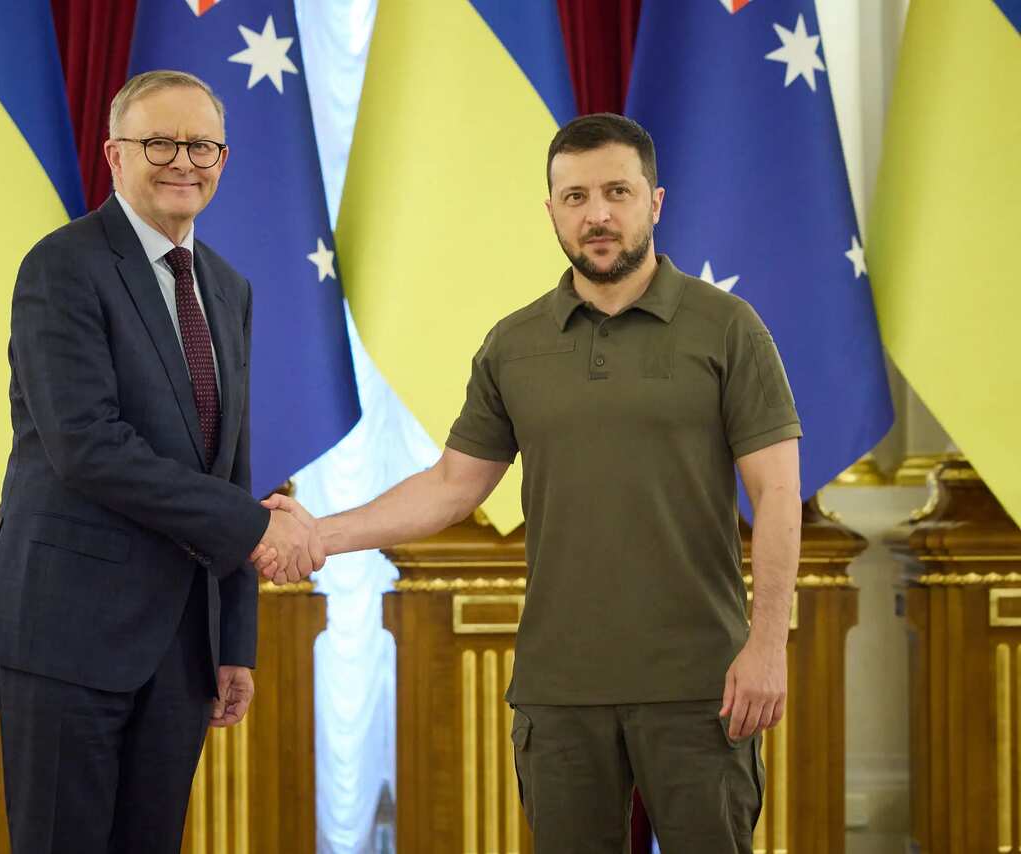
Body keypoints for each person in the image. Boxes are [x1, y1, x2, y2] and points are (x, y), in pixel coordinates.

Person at [259, 113, 802, 854]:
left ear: (655, 202)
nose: (597, 214)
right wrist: (320, 533)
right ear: (551, 211)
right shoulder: (514, 345)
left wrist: (767, 646)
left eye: (616, 192)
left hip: (703, 686)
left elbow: (776, 494)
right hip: (559, 692)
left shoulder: (729, 328)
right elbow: (452, 486)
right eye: (575, 197)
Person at [0, 70, 321, 854]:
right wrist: (256, 526)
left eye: (202, 146)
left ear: (223, 160)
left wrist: (233, 640)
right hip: (66, 633)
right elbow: (87, 445)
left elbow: (230, 465)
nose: (183, 161)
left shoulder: (227, 287)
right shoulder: (62, 266)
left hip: (181, 647)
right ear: (114, 156)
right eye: (159, 143)